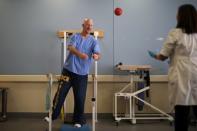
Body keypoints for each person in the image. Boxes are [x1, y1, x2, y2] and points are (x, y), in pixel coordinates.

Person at [148, 4, 197, 131]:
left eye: (177, 13)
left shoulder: (175, 33)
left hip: (181, 73)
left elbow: (163, 56)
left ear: (181, 16)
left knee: (181, 111)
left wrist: (155, 56)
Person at [45, 18, 101, 128]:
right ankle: (52, 115)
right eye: (87, 25)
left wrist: (96, 56)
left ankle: (78, 120)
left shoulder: (93, 41)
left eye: (91, 25)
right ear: (83, 25)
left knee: (80, 98)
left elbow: (98, 54)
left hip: (82, 75)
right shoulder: (75, 37)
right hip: (68, 71)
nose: (89, 27)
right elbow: (70, 47)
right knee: (60, 94)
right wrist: (80, 54)